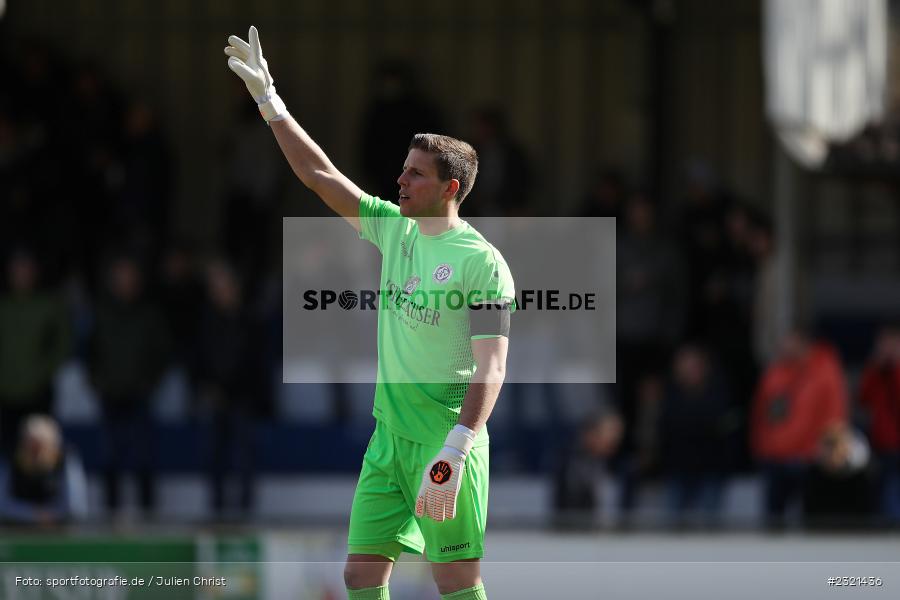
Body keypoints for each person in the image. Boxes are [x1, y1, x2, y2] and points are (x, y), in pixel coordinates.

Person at [225, 27, 515, 600]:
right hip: (389, 438)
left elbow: (493, 367)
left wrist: (457, 448)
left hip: (443, 441)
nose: (399, 180)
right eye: (403, 169)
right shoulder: (393, 228)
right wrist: (269, 102)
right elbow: (320, 176)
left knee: (457, 582)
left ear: (450, 187)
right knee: (360, 575)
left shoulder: (483, 263)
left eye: (414, 174)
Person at [0, 414, 88, 525]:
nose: (36, 451)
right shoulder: (9, 459)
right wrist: (33, 514)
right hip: (15, 529)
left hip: (59, 529)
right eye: (30, 445)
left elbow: (76, 506)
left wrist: (51, 514)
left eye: (41, 445)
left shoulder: (66, 459)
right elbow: (2, 505)